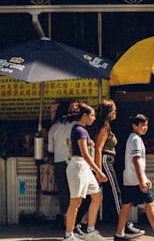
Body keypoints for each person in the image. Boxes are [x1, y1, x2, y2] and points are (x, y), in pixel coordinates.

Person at [114, 114, 154, 241]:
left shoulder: (133, 138)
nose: (145, 128)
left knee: (127, 204)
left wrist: (145, 177)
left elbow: (137, 162)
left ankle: (119, 234)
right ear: (134, 126)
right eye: (142, 125)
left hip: (131, 178)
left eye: (146, 125)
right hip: (136, 179)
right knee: (150, 202)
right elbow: (136, 160)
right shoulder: (136, 139)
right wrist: (142, 180)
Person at [93, 99, 145, 236]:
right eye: (114, 110)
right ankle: (124, 225)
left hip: (107, 160)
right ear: (109, 112)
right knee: (116, 193)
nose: (116, 112)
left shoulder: (106, 126)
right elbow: (98, 149)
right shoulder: (104, 127)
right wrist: (98, 171)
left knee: (96, 194)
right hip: (105, 161)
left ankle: (81, 224)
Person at [64, 101, 107, 241]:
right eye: (92, 115)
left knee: (97, 196)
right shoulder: (79, 130)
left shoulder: (82, 130)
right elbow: (84, 154)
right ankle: (68, 235)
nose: (94, 118)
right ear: (84, 116)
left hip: (83, 168)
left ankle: (90, 230)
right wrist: (98, 171)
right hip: (79, 167)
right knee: (75, 202)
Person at [48, 99, 75, 229]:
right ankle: (75, 221)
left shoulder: (54, 127)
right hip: (73, 162)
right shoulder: (76, 125)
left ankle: (65, 221)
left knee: (64, 192)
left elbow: (50, 150)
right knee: (75, 191)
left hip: (59, 162)